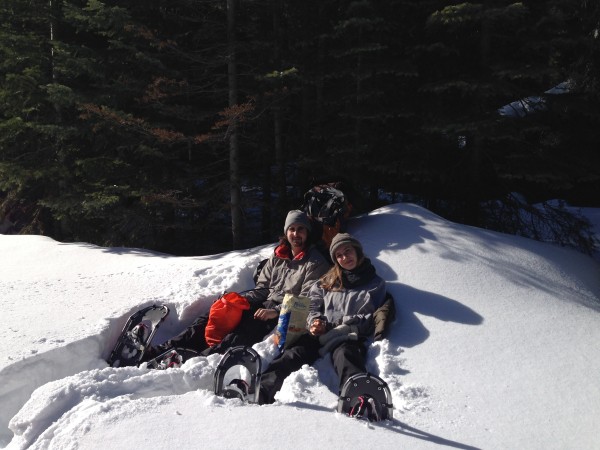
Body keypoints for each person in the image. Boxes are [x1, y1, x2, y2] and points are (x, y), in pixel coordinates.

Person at [144, 210, 329, 360]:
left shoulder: (316, 263)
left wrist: (276, 311)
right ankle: (163, 350)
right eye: (292, 229)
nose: (296, 234)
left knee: (240, 333)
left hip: (281, 313)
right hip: (263, 303)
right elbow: (263, 288)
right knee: (213, 316)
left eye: (301, 230)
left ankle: (196, 361)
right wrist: (239, 299)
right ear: (286, 232)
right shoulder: (279, 255)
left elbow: (306, 300)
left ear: (308, 233)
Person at [258, 233, 387, 404]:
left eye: (347, 251)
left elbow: (367, 318)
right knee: (292, 355)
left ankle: (359, 399)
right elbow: (312, 304)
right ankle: (261, 392)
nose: (344, 257)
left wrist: (332, 325)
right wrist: (314, 321)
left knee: (346, 357)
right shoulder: (327, 281)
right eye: (339, 255)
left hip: (346, 335)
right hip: (318, 333)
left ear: (357, 251)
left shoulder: (374, 283)